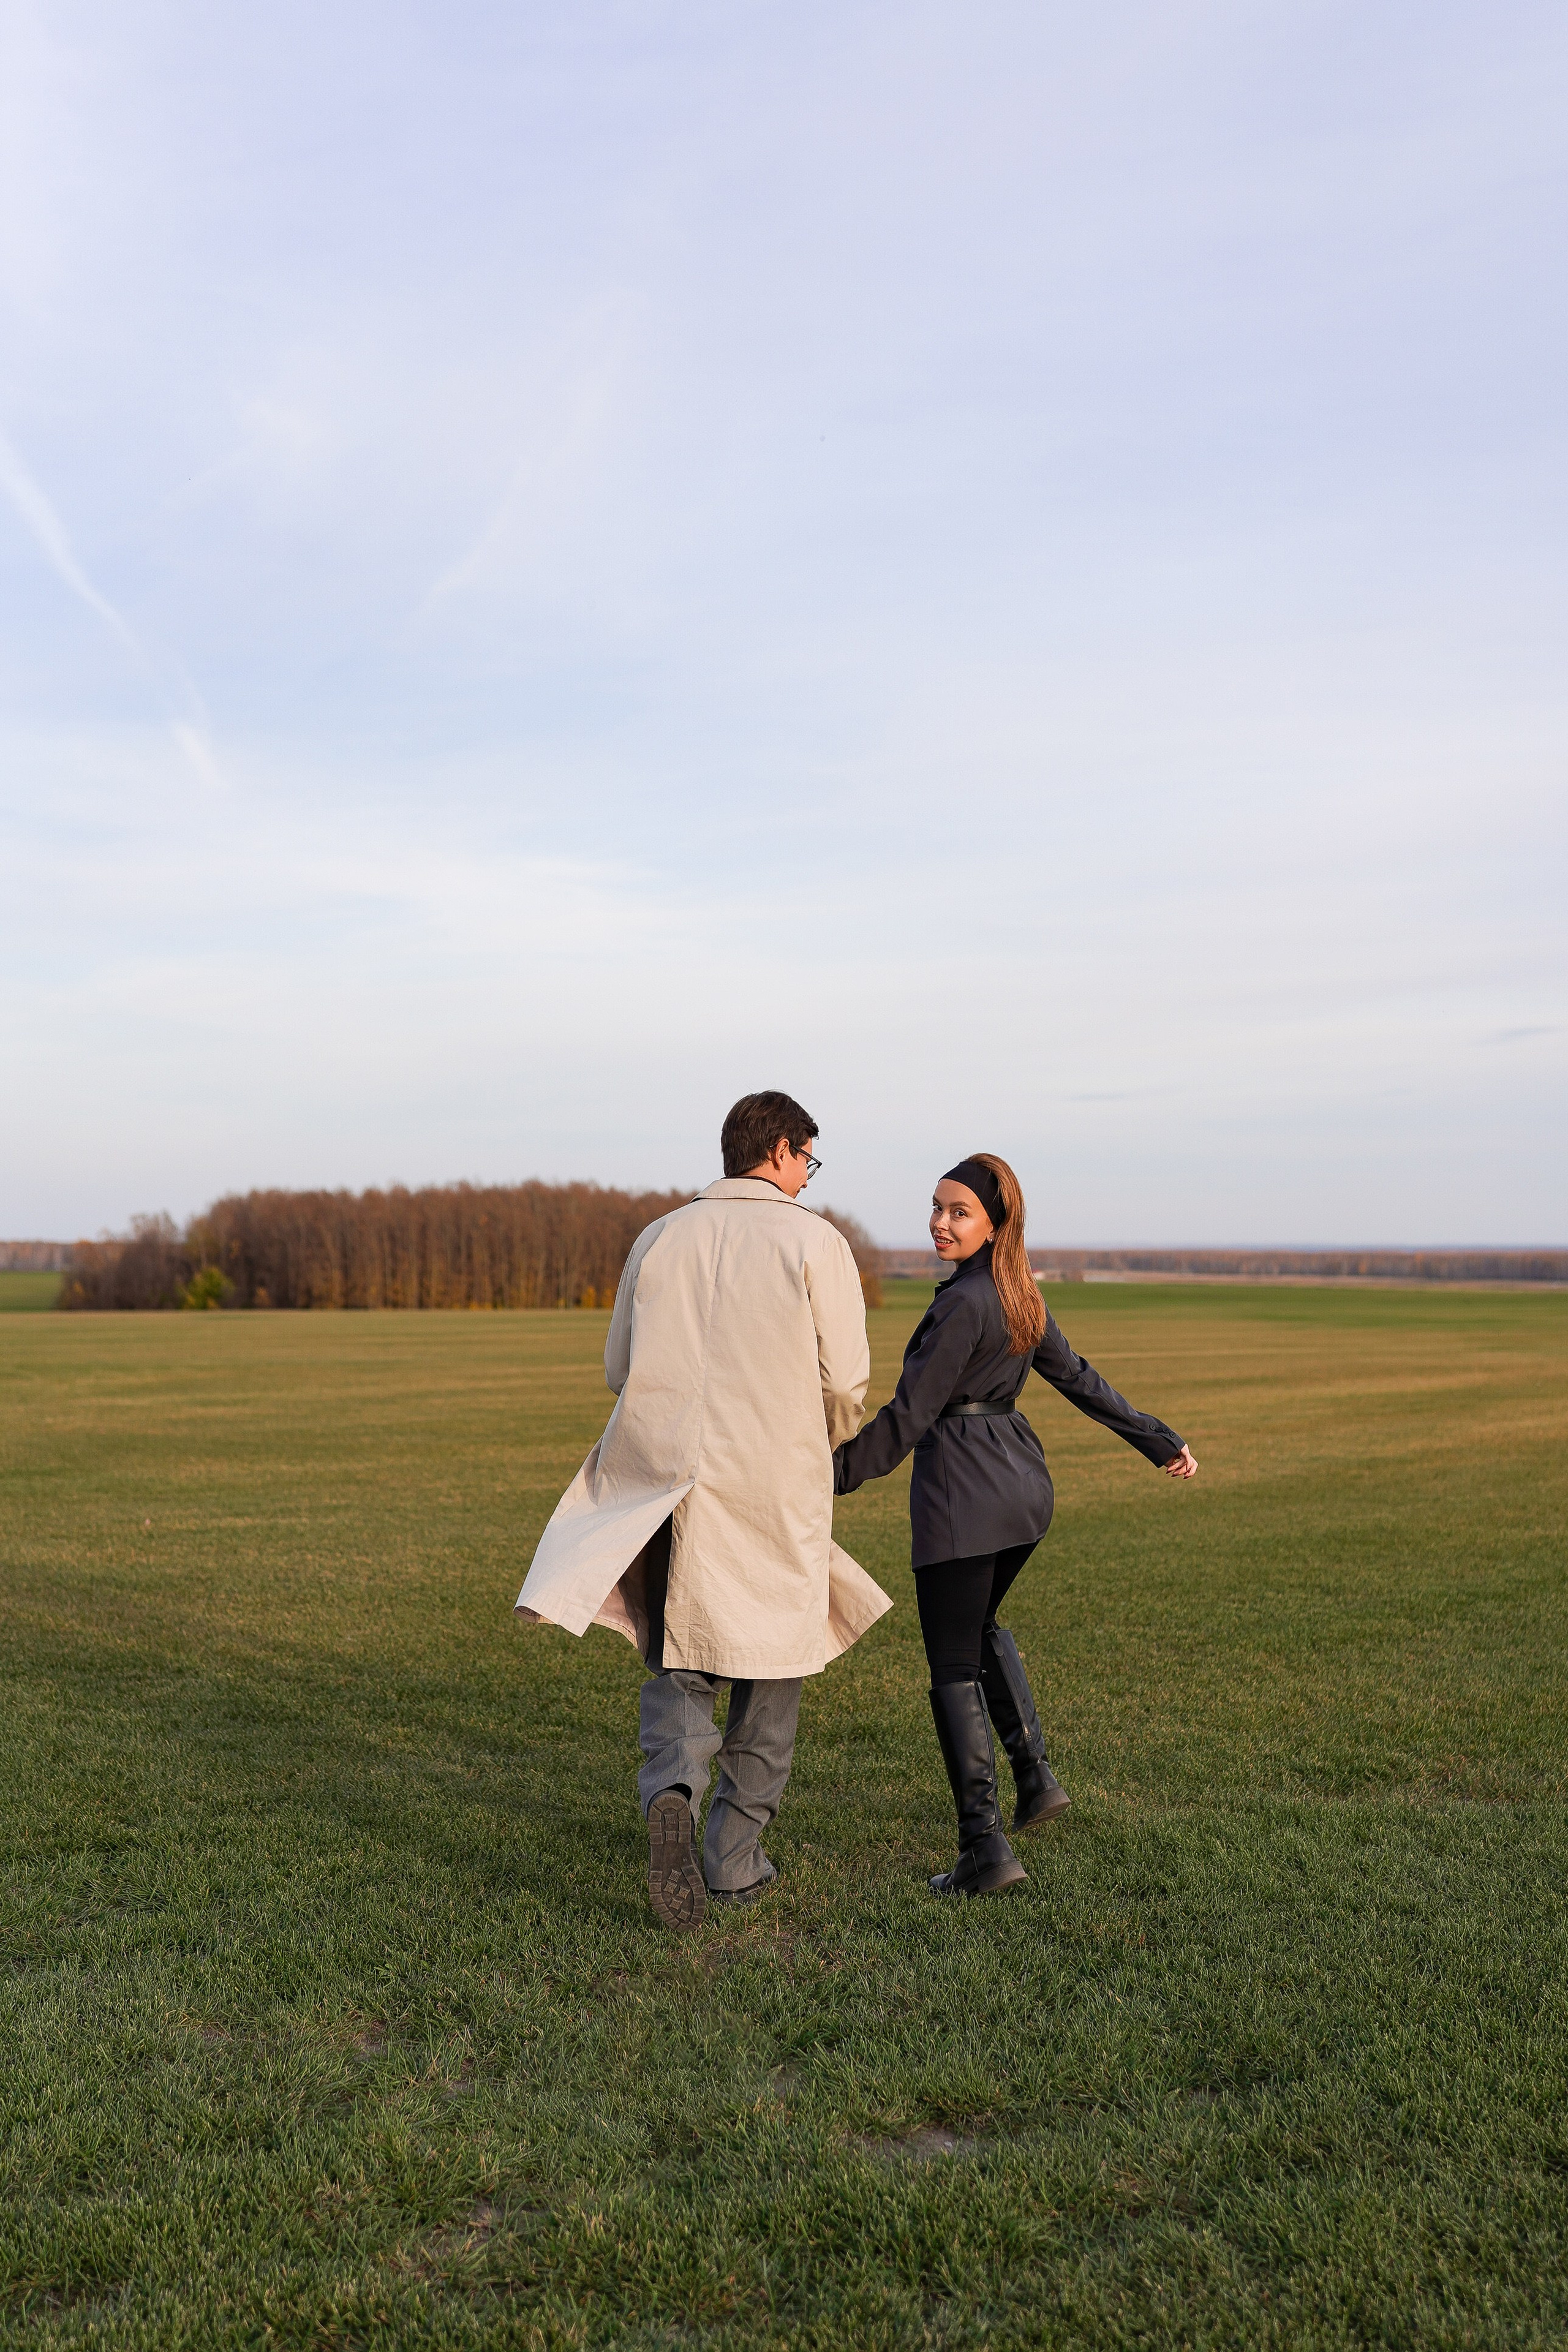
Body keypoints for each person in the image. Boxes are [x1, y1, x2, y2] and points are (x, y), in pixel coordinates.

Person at [515, 1091, 891, 1930]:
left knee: (682, 1654)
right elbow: (845, 1382)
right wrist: (816, 1442)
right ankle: (732, 1858)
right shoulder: (815, 1241)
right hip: (774, 1480)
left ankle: (672, 1794)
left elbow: (620, 1366)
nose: (807, 1177)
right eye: (809, 1161)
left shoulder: (660, 1237)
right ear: (784, 1150)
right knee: (773, 1663)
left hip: (673, 1477)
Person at [833, 1153, 1197, 1901]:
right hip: (1022, 1498)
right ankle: (1034, 1779)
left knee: (951, 1669)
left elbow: (907, 1419)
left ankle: (985, 1848)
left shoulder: (965, 1302)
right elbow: (1081, 1380)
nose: (939, 1222)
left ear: (994, 1224)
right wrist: (1159, 1439)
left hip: (964, 1505)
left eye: (957, 1211)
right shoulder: (1017, 1290)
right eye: (935, 1207)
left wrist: (818, 1479)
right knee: (982, 1627)